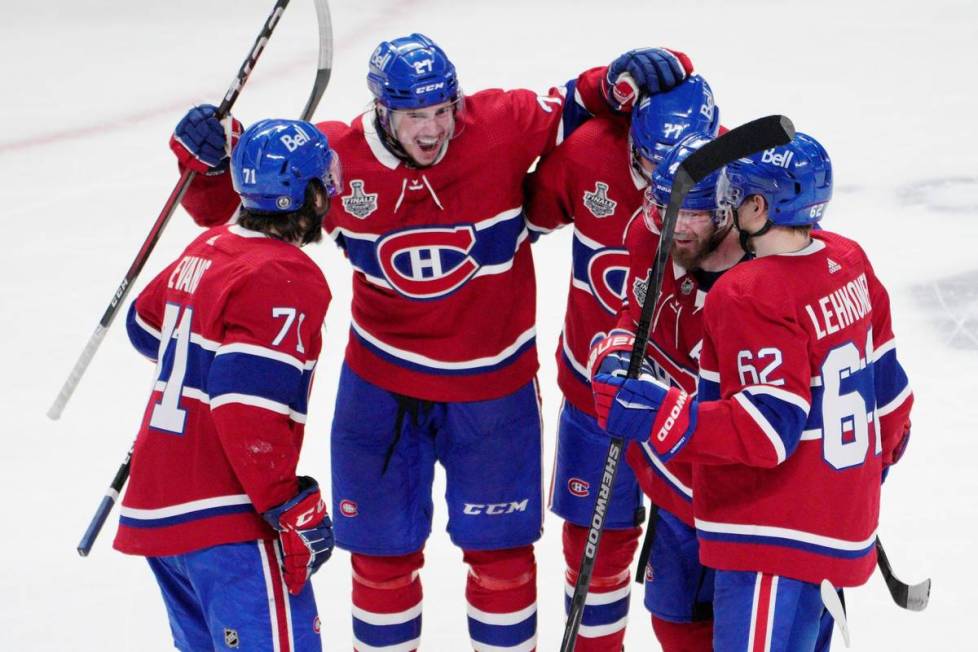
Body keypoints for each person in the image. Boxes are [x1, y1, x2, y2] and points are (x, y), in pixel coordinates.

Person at [170, 33, 694, 651]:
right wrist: (203, 161)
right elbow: (233, 203)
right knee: (380, 566)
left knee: (501, 562)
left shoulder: (499, 124)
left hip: (493, 388)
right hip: (380, 390)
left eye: (443, 111)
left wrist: (622, 75)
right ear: (382, 112)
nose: (432, 130)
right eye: (416, 115)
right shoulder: (338, 157)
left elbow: (590, 102)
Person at [591, 133, 914, 651]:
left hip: (768, 532)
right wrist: (847, 485)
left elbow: (765, 431)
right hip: (818, 528)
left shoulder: (749, 291)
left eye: (733, 198)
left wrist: (657, 414)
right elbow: (892, 399)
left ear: (756, 205)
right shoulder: (845, 257)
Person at [115, 119, 342, 652]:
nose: (332, 192)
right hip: (228, 516)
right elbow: (245, 407)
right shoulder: (285, 274)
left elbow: (145, 326)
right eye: (323, 181)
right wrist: (284, 503)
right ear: (302, 197)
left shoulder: (208, 249)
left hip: (163, 512)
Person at [524, 79, 719, 651]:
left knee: (693, 569)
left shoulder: (737, 168)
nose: (667, 187)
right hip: (597, 394)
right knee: (594, 550)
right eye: (651, 163)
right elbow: (524, 216)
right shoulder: (590, 154)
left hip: (694, 416)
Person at [585, 132, 742, 651]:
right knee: (674, 625)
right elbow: (632, 320)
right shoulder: (647, 233)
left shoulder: (760, 279)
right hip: (675, 478)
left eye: (695, 213)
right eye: (667, 208)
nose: (677, 226)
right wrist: (612, 358)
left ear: (728, 210)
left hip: (747, 500)